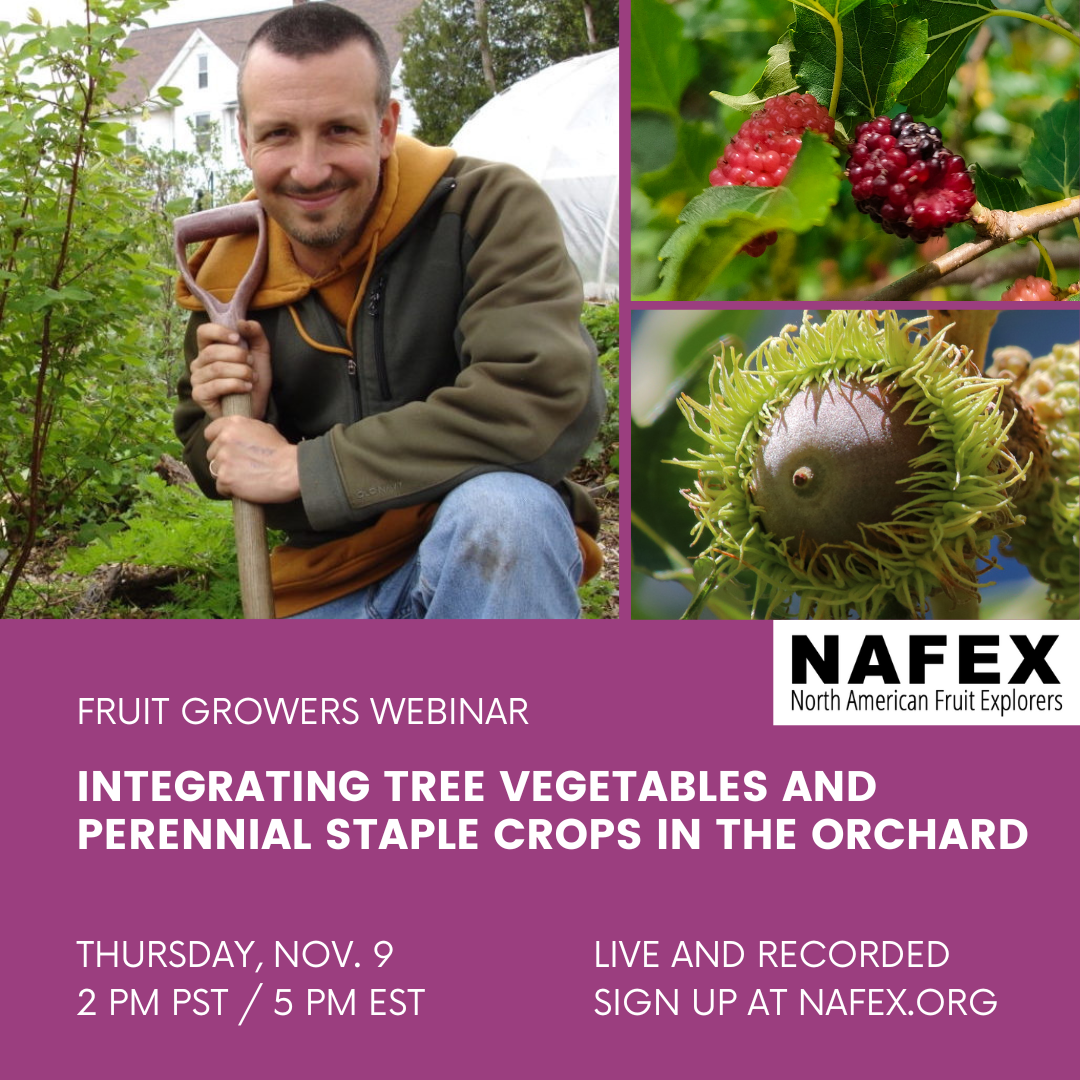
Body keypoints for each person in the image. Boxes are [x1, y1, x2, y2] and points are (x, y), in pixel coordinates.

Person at [173, 4, 605, 619]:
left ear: (384, 125)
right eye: (278, 134)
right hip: (320, 586)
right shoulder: (229, 269)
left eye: (339, 130)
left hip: (473, 550)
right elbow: (214, 461)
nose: (310, 168)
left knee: (506, 511)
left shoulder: (486, 211)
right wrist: (245, 415)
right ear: (243, 138)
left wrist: (310, 467)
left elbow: (536, 397)